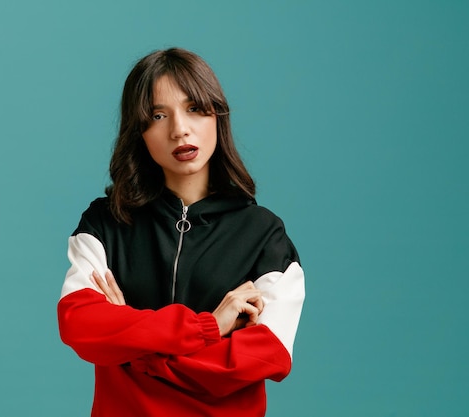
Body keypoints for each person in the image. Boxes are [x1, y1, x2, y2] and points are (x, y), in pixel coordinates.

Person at [57, 47, 305, 417]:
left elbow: (262, 357)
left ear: (217, 116)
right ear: (138, 131)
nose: (179, 129)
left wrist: (135, 351)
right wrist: (209, 328)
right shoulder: (106, 224)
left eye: (194, 109)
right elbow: (79, 324)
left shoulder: (265, 236)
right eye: (158, 115)